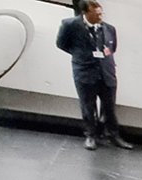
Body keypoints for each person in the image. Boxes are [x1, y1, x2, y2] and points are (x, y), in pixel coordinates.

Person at [56, 1, 132, 151]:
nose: (100, 16)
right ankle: (90, 135)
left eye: (101, 13)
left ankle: (113, 134)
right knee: (88, 106)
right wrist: (81, 55)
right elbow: (61, 44)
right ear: (85, 13)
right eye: (96, 14)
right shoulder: (70, 25)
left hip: (106, 72)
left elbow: (112, 47)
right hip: (85, 72)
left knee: (109, 107)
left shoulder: (109, 28)